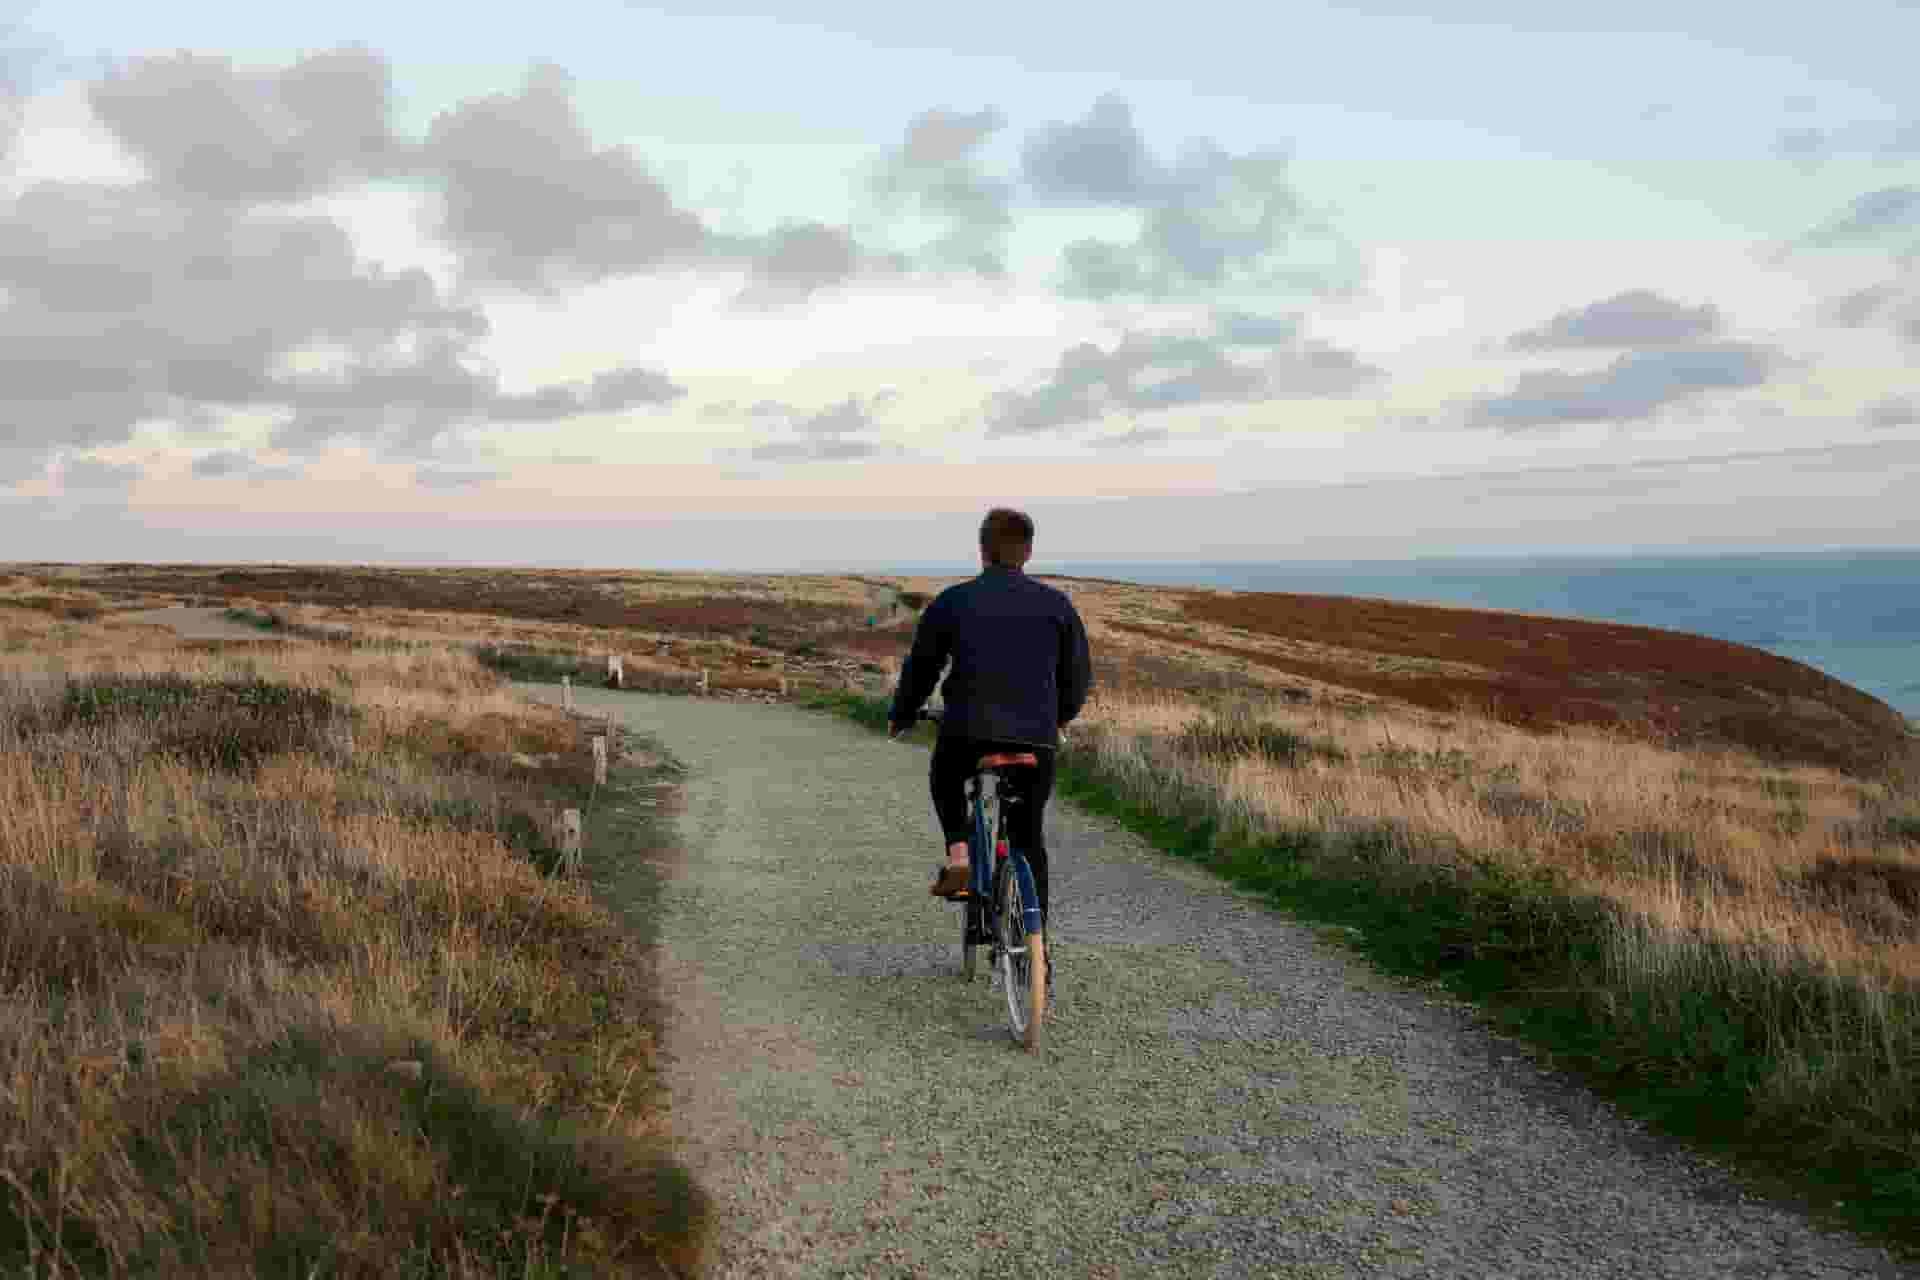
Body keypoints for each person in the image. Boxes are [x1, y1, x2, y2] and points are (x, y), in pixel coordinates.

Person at [886, 507, 1093, 934]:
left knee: (945, 777)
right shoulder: (1058, 607)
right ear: (1028, 551)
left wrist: (902, 715)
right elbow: (1077, 679)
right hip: (1036, 739)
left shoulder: (953, 601)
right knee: (1028, 836)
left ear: (982, 550)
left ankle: (959, 856)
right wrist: (1058, 719)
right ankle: (1034, 951)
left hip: (966, 733)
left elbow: (922, 667)